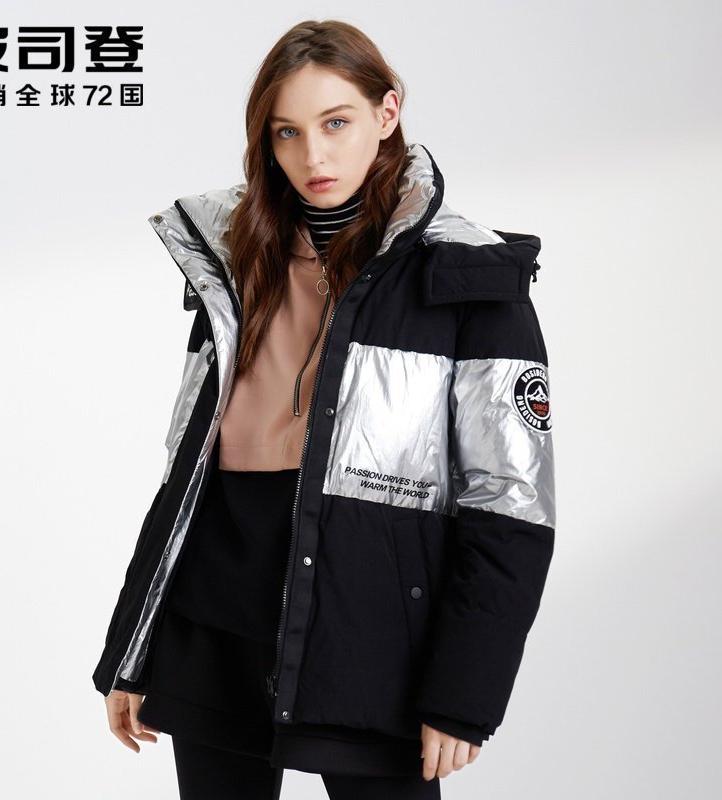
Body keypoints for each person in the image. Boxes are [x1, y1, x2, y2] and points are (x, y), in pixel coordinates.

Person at [92, 18, 556, 800]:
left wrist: (464, 691)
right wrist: (134, 650)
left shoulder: (468, 275)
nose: (313, 156)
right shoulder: (235, 265)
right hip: (213, 624)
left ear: (387, 112)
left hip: (368, 634)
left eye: (336, 123)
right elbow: (187, 478)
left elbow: (511, 507)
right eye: (288, 132)